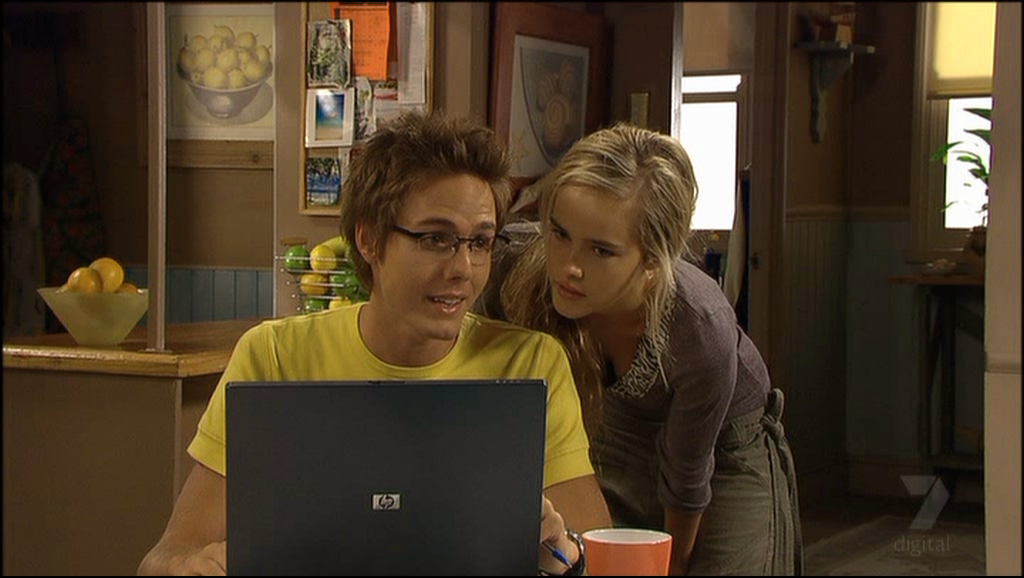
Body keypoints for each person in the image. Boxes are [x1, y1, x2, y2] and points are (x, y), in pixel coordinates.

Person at [137, 111, 611, 576]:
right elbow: (163, 557)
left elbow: (597, 559)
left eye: (480, 243)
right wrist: (187, 567)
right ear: (369, 239)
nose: (463, 269)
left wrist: (564, 553)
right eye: (436, 239)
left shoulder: (530, 363)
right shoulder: (275, 356)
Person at [490, 123, 803, 575]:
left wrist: (671, 568)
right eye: (560, 234)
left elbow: (687, 477)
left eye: (601, 251)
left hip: (725, 444)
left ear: (654, 261)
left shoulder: (697, 326)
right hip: (611, 425)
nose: (569, 266)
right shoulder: (515, 266)